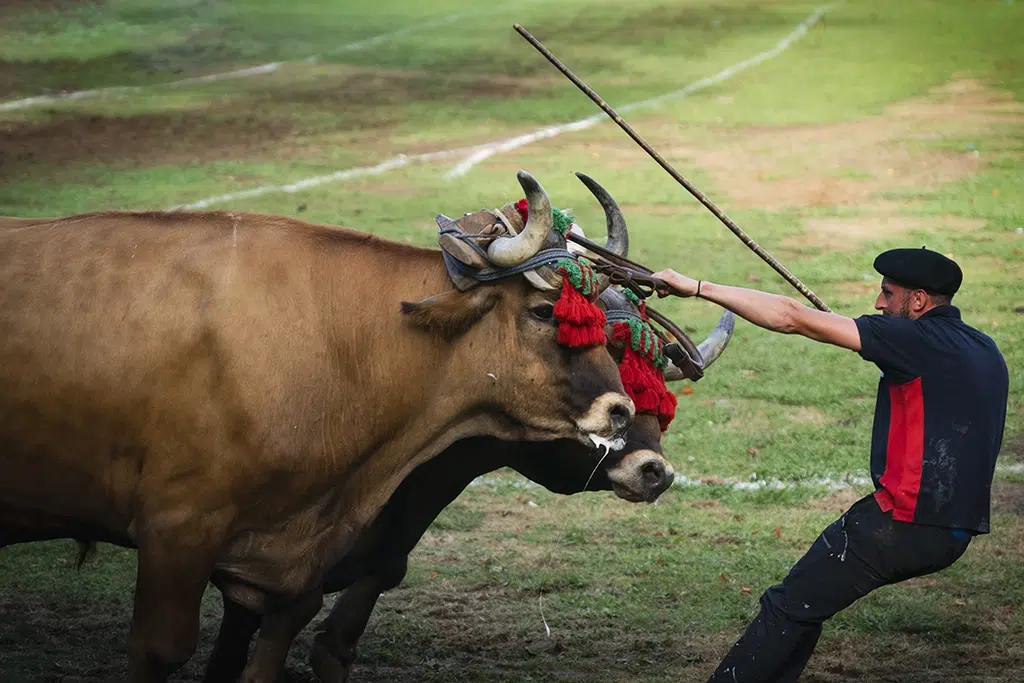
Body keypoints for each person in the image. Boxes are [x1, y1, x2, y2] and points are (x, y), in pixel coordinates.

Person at [652, 247, 1009, 683]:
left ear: (918, 301)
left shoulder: (911, 341)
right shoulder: (982, 347)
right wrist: (872, 339)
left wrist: (698, 287)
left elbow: (790, 316)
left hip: (900, 524)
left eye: (887, 294)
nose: (878, 303)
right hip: (955, 531)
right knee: (804, 606)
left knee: (787, 606)